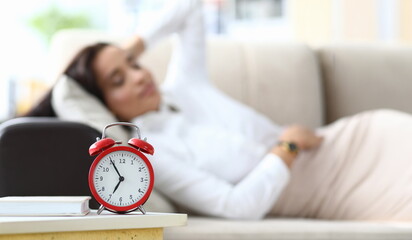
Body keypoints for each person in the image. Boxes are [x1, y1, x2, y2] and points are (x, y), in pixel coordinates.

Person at [27, 0, 412, 220]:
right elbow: (236, 207)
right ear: (104, 103)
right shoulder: (151, 155)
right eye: (117, 80)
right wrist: (286, 150)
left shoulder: (186, 84)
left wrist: (133, 47)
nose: (137, 75)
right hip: (329, 186)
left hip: (355, 141)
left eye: (133, 63)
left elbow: (191, 9)